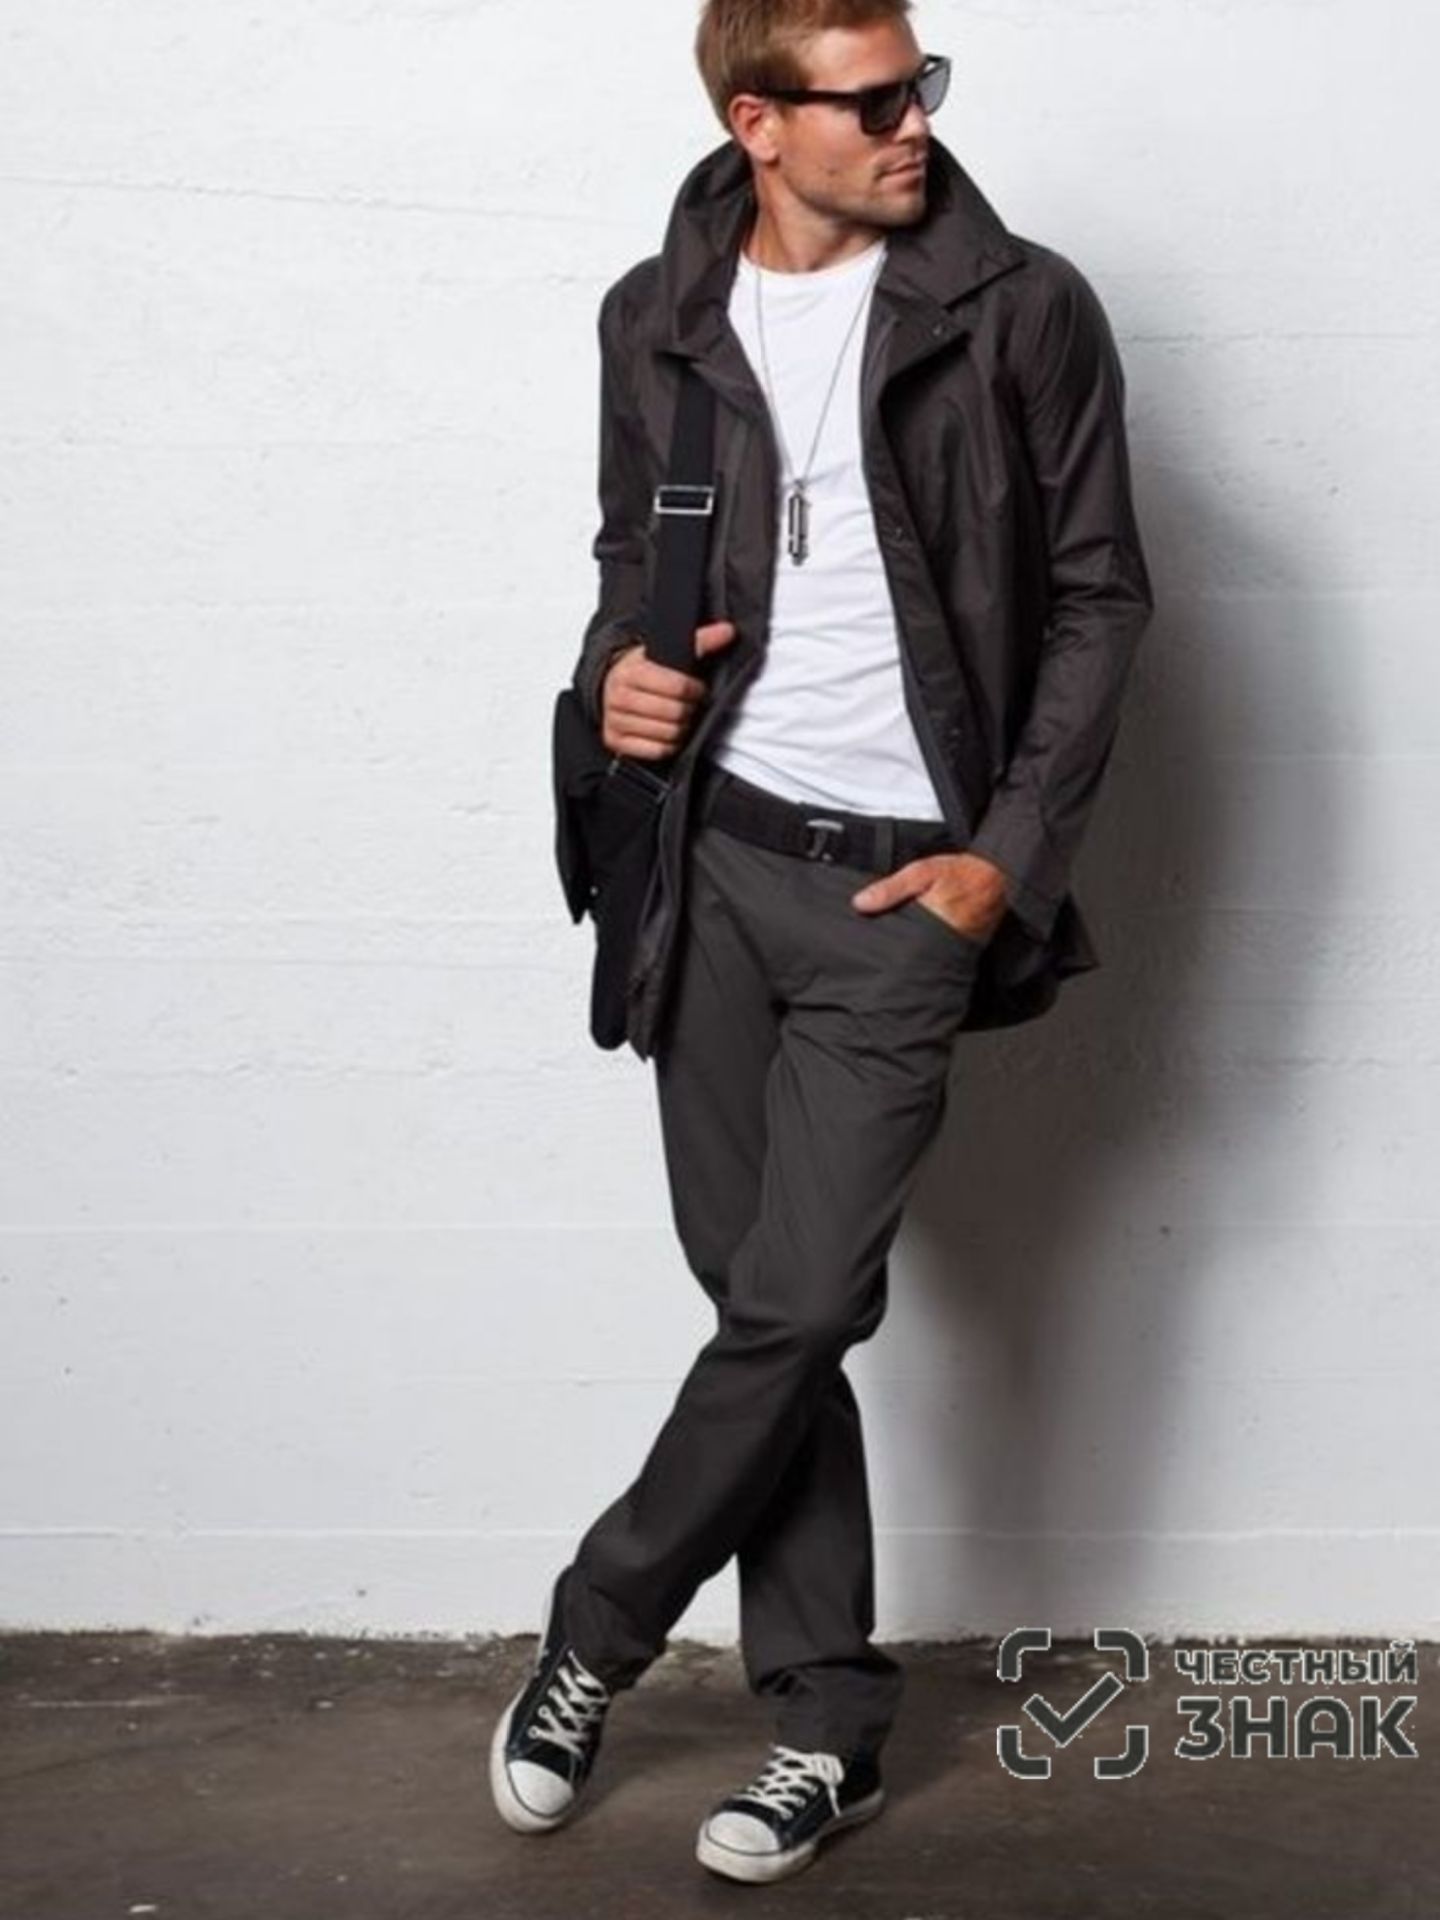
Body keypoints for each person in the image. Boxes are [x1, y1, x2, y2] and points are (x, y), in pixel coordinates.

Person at [492, 0, 1154, 1885]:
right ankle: (829, 1726)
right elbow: (630, 564)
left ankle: (596, 1627)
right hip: (708, 869)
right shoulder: (659, 314)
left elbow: (1102, 598)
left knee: (797, 1308)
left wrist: (1002, 862)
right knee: (761, 1318)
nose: (913, 124)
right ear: (758, 121)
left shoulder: (1017, 309)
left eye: (920, 85)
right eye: (870, 101)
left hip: (899, 896)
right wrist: (615, 683)